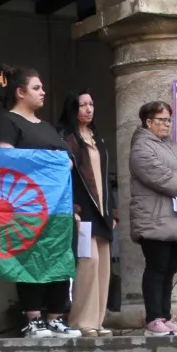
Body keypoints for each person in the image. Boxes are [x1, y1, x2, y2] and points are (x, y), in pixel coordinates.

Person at [0, 66, 79, 339]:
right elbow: (5, 159)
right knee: (30, 257)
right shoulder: (7, 121)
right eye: (36, 88)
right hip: (26, 205)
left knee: (59, 257)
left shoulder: (47, 127)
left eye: (42, 88)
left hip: (58, 207)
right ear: (20, 92)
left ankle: (55, 317)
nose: (43, 92)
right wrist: (50, 161)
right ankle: (33, 319)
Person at [130, 100, 177, 335]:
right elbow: (157, 175)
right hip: (154, 217)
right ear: (148, 121)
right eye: (161, 120)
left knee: (171, 267)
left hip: (176, 217)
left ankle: (166, 316)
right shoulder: (141, 146)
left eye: (169, 120)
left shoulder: (174, 146)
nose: (166, 125)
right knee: (157, 267)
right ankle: (153, 318)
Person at [60, 89, 117, 336]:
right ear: (73, 108)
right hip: (82, 208)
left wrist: (113, 211)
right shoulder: (66, 139)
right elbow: (64, 177)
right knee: (88, 262)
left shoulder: (97, 138)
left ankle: (97, 321)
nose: (89, 109)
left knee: (103, 264)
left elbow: (105, 177)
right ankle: (81, 321)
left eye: (91, 104)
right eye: (83, 105)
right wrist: (72, 207)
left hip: (102, 210)